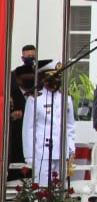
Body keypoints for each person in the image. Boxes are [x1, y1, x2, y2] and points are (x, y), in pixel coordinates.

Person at [21, 60, 76, 188]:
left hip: (62, 150)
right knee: (43, 188)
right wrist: (29, 155)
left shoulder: (66, 98)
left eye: (58, 77)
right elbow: (29, 128)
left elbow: (70, 125)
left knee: (60, 188)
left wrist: (71, 148)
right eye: (52, 77)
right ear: (43, 79)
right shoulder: (35, 98)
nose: (56, 81)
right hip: (42, 151)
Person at [7, 48, 38, 180]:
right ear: (18, 80)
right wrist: (11, 115)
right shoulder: (11, 90)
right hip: (17, 133)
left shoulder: (39, 90)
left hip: (35, 135)